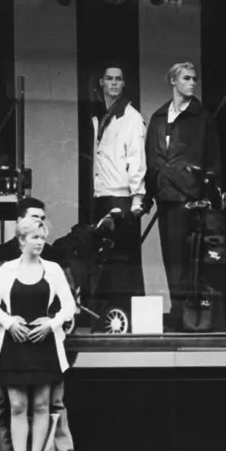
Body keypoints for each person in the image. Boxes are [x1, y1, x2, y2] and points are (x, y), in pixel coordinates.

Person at [0, 198, 78, 451]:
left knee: (43, 405)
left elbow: (69, 305)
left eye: (42, 237)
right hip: (15, 345)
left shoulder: (53, 268)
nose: (40, 242)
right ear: (21, 240)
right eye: (34, 237)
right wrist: (9, 323)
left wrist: (52, 323)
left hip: (43, 345)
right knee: (17, 406)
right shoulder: (6, 268)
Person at [144, 62, 221, 330]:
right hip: (165, 198)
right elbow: (151, 157)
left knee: (194, 261)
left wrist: (207, 192)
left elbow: (213, 159)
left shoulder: (202, 118)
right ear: (173, 81)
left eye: (194, 78)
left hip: (192, 199)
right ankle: (179, 313)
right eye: (186, 78)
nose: (192, 83)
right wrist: (148, 194)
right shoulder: (158, 117)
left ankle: (193, 317)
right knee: (172, 259)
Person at [86, 61, 147, 319]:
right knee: (105, 261)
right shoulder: (102, 115)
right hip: (103, 194)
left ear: (123, 84)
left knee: (123, 263)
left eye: (118, 79)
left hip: (122, 197)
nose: (113, 83)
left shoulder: (130, 117)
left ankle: (127, 317)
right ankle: (106, 316)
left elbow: (137, 158)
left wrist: (137, 198)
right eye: (108, 78)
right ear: (101, 83)